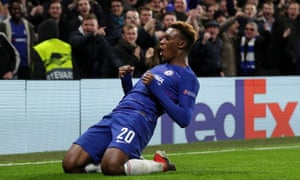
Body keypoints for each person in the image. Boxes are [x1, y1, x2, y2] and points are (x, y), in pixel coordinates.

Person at [62, 21, 200, 176]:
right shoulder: (157, 68)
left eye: (167, 39)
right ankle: (123, 160)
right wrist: (127, 81)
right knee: (70, 164)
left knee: (112, 166)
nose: (161, 41)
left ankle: (160, 165)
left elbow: (184, 118)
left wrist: (156, 89)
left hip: (139, 119)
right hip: (117, 114)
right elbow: (134, 96)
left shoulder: (188, 77)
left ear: (181, 44)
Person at [70, 13, 123, 78]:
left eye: (92, 25)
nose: (88, 27)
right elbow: (78, 42)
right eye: (86, 25)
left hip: (96, 77)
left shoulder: (99, 38)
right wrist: (93, 35)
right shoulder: (75, 35)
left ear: (97, 27)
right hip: (79, 77)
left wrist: (120, 66)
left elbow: (110, 53)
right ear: (81, 26)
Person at [0, 0, 36, 79]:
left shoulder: (28, 25)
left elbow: (32, 45)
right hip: (11, 69)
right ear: (9, 10)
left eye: (19, 9)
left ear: (23, 10)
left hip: (26, 66)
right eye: (14, 9)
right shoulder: (3, 25)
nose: (17, 11)